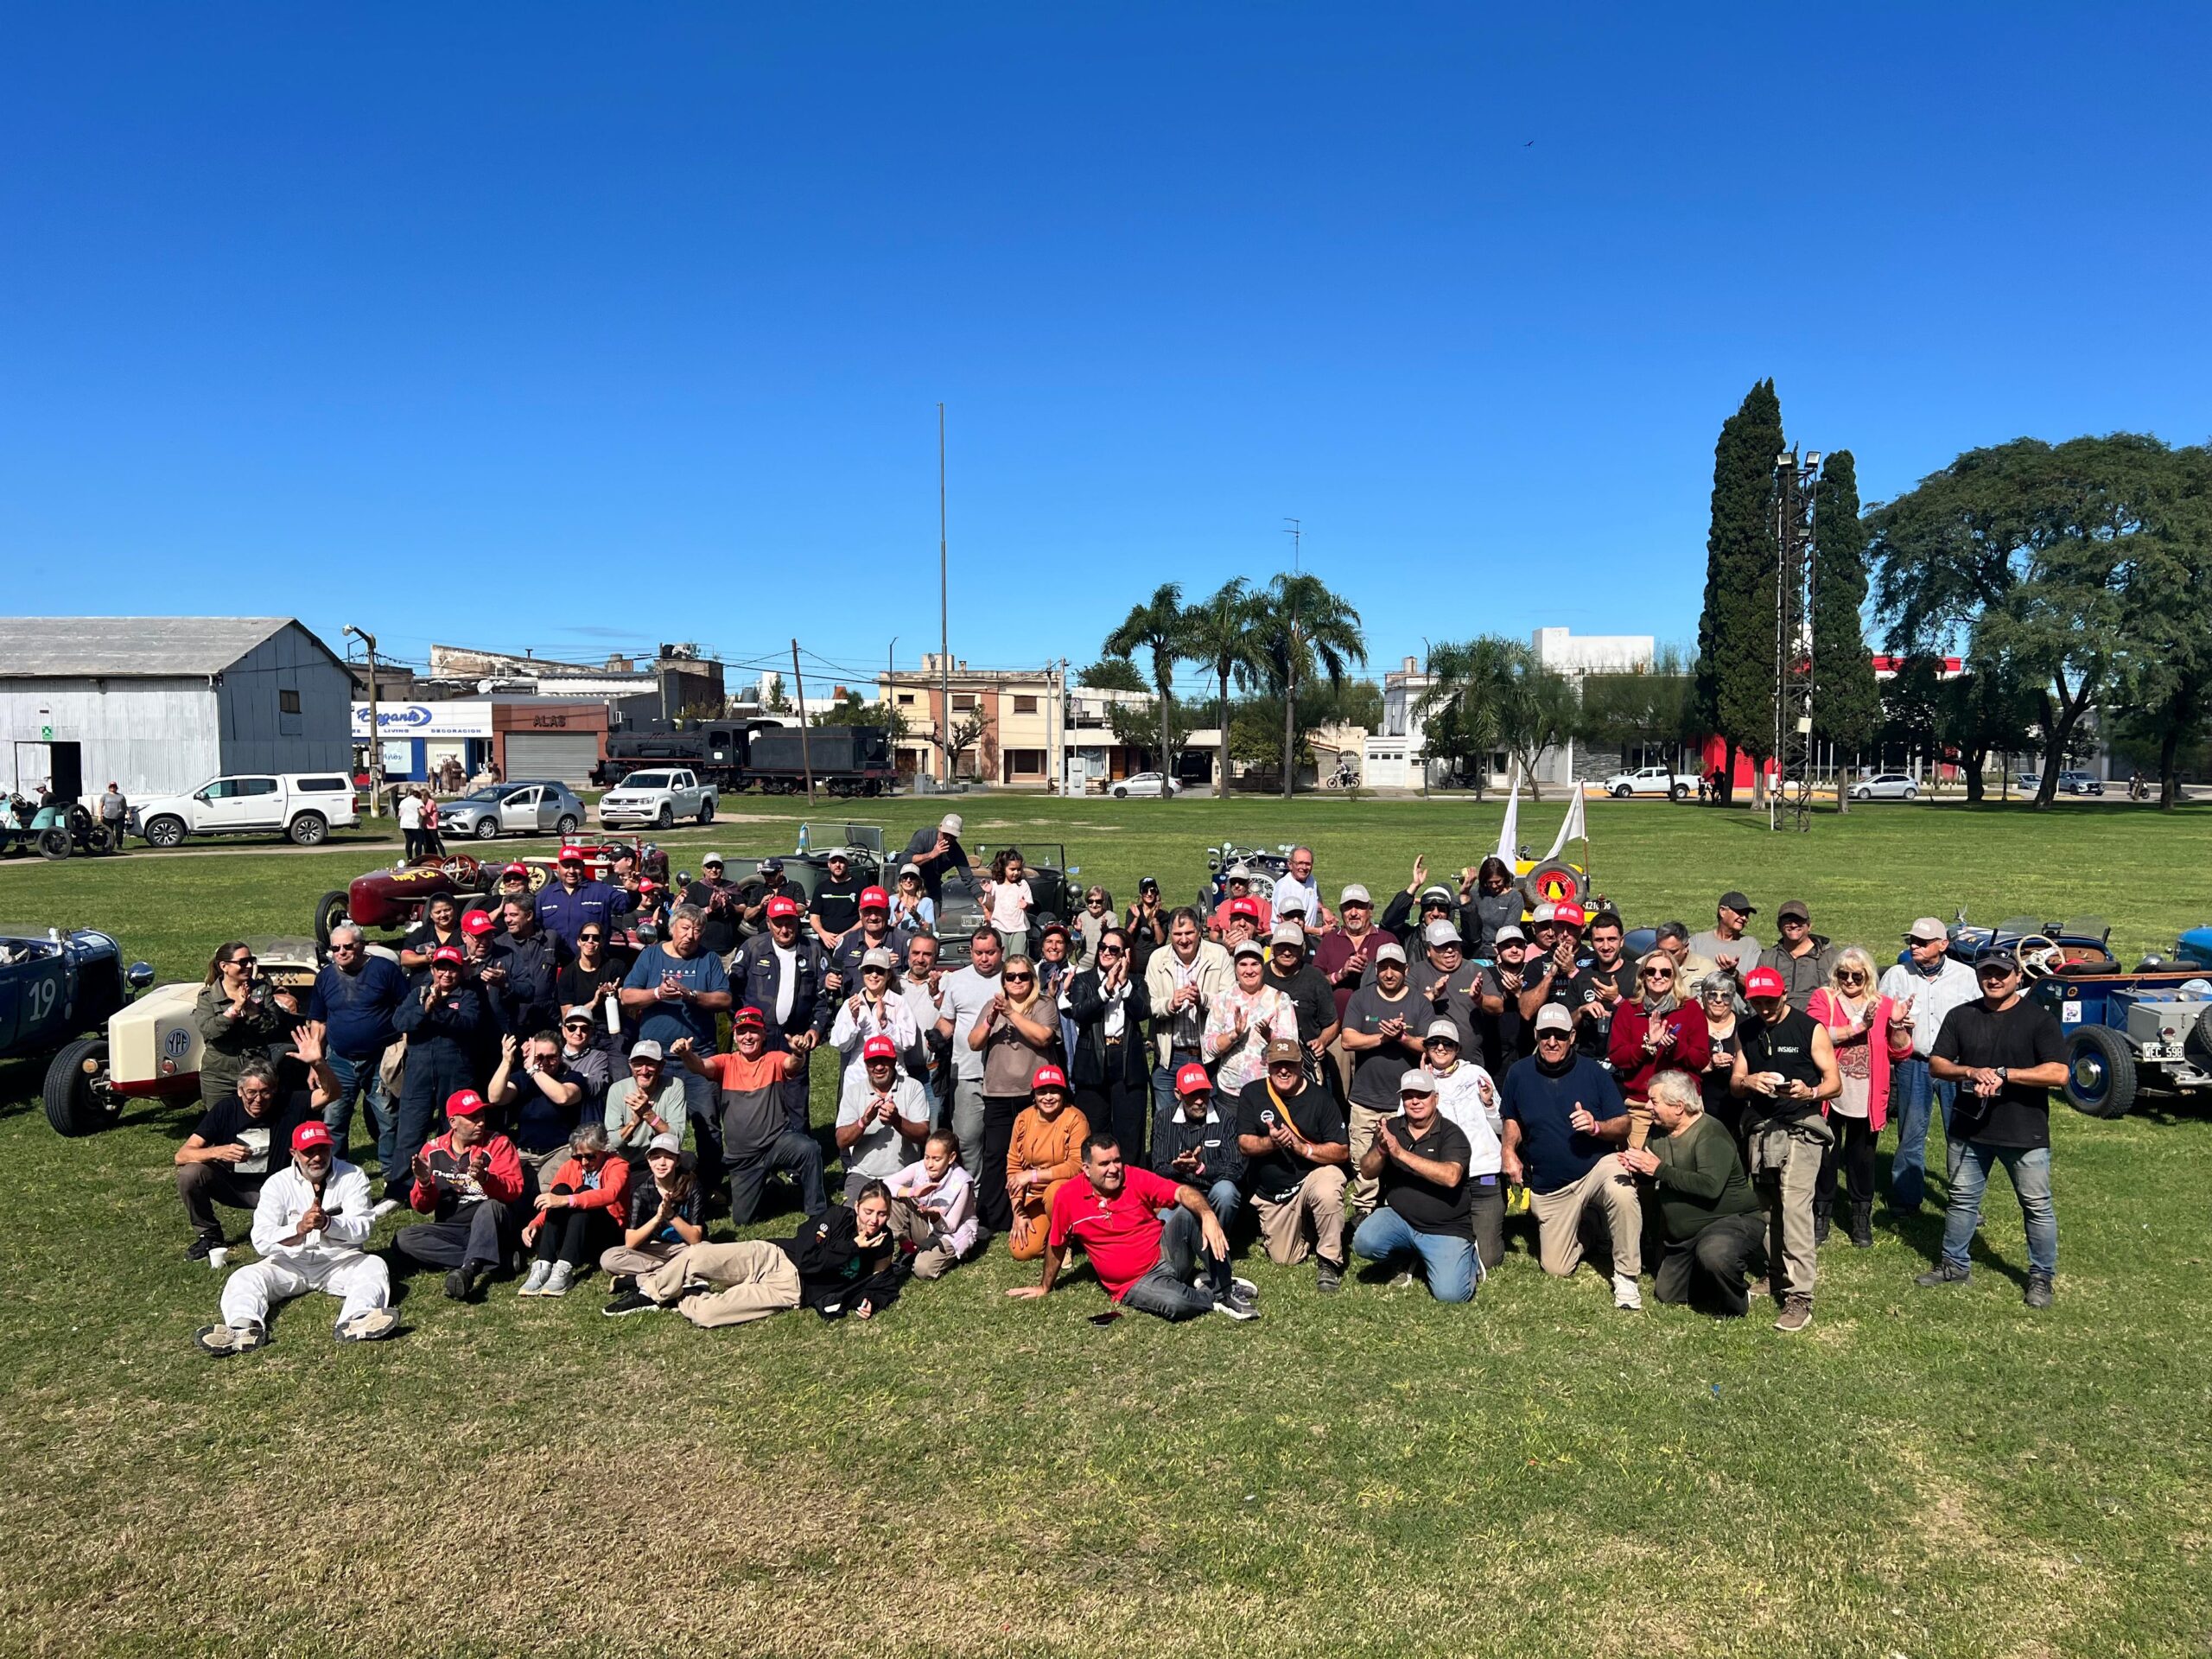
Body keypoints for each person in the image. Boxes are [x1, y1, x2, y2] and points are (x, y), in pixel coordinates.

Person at [1917, 946, 2066, 1307]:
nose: (1994, 979)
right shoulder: (1961, 1016)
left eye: (2002, 972)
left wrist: (2004, 1075)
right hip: (1970, 1129)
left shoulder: (2038, 1020)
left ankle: (2041, 1276)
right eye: (1987, 973)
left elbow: (2059, 1073)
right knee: (1962, 1201)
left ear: (2018, 976)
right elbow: (1937, 1064)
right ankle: (1954, 1265)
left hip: (2024, 1130)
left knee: (2036, 1205)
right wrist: (1969, 1071)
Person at [194, 1120, 397, 1354]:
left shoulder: (353, 1176)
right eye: (309, 1151)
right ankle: (242, 1327)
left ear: (331, 1148)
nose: (317, 1157)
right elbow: (261, 1239)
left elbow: (363, 1229)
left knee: (374, 1265)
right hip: (289, 1263)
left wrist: (329, 1223)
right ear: (294, 1153)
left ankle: (358, 1319)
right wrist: (298, 1229)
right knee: (245, 1276)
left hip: (340, 1261)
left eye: (322, 1149)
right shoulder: (277, 1184)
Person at [1007, 1133, 1256, 1322]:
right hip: (1133, 1282)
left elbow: (1181, 1191)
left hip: (1165, 1253)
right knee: (1176, 1304)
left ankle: (1224, 1286)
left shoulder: (1133, 1176)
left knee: (1189, 1211)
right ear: (1086, 1169)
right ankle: (1210, 1295)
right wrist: (1045, 1286)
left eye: (1117, 1161)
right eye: (1104, 1164)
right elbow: (1057, 1243)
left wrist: (1209, 1215)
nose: (1114, 1169)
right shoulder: (1067, 1198)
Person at [1500, 1003, 1643, 1309]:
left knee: (1622, 1189)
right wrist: (1508, 1150)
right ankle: (1592, 1227)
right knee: (1556, 1267)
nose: (1553, 1042)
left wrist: (1597, 1126)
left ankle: (1627, 1277)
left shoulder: (1594, 1073)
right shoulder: (1518, 1073)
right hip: (1553, 1184)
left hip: (1596, 1168)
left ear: (1572, 1036)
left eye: (1560, 1036)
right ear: (1536, 1035)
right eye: (1547, 1035)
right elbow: (1511, 1118)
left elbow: (1624, 1124)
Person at [603, 1184, 908, 1325]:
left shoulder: (882, 1242)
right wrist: (853, 1247)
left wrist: (872, 1302)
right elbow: (807, 1257)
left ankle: (685, 1293)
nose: (874, 1220)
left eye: (882, 1215)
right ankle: (650, 1292)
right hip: (773, 1255)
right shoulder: (837, 1216)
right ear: (857, 1207)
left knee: (707, 1316)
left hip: (792, 1290)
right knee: (696, 1256)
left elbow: (882, 1281)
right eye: (869, 1211)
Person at [1731, 964, 1841, 1333]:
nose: (1762, 1007)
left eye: (1768, 1000)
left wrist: (1809, 1092)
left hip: (1801, 1126)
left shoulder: (1809, 1028)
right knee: (1765, 1208)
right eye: (1756, 1001)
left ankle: (1800, 1297)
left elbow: (1834, 1084)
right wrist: (1750, 1080)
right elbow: (1735, 1082)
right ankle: (1775, 1275)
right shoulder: (1746, 1030)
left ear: (1783, 996)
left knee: (1794, 1208)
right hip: (1761, 1129)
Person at [1615, 1070, 1766, 1318]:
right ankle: (1710, 1278)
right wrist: (1638, 1168)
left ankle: (1737, 1303)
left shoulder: (1710, 1132)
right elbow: (1654, 1172)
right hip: (1684, 1236)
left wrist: (1658, 1169)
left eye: (1654, 1101)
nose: (1648, 1107)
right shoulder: (1658, 1131)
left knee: (1714, 1255)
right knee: (1667, 1294)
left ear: (1678, 1107)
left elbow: (1709, 1186)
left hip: (1729, 1222)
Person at [175, 1041, 332, 1260]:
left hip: (280, 1188)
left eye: (265, 1092)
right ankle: (209, 1235)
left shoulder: (290, 1103)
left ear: (274, 1090)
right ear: (240, 1091)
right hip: (235, 1186)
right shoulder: (226, 1109)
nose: (258, 1100)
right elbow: (182, 1155)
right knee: (190, 1174)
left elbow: (330, 1094)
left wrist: (318, 1063)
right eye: (251, 1093)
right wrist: (218, 1151)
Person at [1806, 946, 1915, 1249]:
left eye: (1858, 975)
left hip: (1867, 1096)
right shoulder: (1824, 998)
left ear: (1868, 976)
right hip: (1829, 1093)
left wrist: (1896, 1025)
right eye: (1843, 974)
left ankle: (1860, 1218)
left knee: (1863, 1160)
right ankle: (1822, 1214)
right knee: (1826, 1157)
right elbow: (1816, 1033)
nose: (1850, 980)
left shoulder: (1884, 1004)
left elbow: (1900, 1052)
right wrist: (1859, 1025)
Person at [675, 1008, 822, 1224]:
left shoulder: (774, 1059)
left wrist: (798, 1053)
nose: (748, 1037)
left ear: (763, 1035)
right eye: (742, 1032)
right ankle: (773, 1187)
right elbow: (699, 1066)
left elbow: (792, 1064)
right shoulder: (726, 1062)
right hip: (743, 1157)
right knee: (743, 1220)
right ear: (735, 1037)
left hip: (776, 1143)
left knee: (809, 1149)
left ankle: (816, 1212)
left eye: (753, 1031)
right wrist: (686, 1054)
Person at [1878, 917, 1980, 1217]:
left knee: (1960, 1134)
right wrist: (1895, 1023)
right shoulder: (1897, 975)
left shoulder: (1966, 977)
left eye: (1922, 942)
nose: (1914, 946)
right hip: (1913, 1063)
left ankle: (1965, 1203)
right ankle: (1907, 1200)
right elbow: (1879, 1017)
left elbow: (1981, 1021)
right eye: (1912, 940)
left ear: (1943, 945)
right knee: (1910, 1132)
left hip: (1955, 1066)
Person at [1351, 1069, 1478, 1302]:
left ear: (1435, 1098)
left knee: (1451, 1295)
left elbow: (1451, 1176)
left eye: (1421, 1095)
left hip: (1445, 1228)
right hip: (1401, 1218)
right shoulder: (1390, 1128)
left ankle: (1467, 1256)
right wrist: (1381, 1150)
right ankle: (1409, 1254)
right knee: (1363, 1241)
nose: (1415, 1101)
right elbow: (1367, 1170)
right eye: (1408, 1096)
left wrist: (1400, 1153)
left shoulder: (1452, 1133)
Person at [1236, 1039, 1351, 1290]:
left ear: (1301, 1065)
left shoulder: (1321, 1098)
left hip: (1311, 1180)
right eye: (1278, 1065)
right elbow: (1244, 1144)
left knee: (1328, 1186)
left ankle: (1329, 1261)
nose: (1284, 1071)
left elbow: (1342, 1151)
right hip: (1274, 1194)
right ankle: (1310, 1226)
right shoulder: (1252, 1093)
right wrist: (1272, 1142)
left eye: (1290, 1064)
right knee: (1286, 1258)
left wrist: (1303, 1148)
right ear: (1268, 1065)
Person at [392, 1088, 526, 1301]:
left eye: (481, 1115)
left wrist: (486, 1179)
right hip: (452, 1228)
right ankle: (497, 1259)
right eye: (472, 1118)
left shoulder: (499, 1144)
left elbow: (513, 1191)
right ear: (453, 1122)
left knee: (489, 1207)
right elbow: (423, 1207)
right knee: (403, 1240)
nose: (480, 1122)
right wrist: (425, 1182)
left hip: (492, 1222)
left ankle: (469, 1270)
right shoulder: (432, 1150)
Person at [622, 904, 734, 1147]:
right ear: (673, 928)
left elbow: (725, 999)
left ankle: (709, 1181)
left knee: (708, 1121)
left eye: (696, 930)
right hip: (654, 1058)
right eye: (685, 928)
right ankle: (656, 1180)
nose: (690, 935)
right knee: (649, 1122)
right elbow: (627, 996)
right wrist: (657, 993)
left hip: (698, 1057)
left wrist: (692, 995)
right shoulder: (651, 956)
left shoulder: (709, 959)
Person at [966, 953, 1062, 1230]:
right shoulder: (991, 1006)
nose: (1017, 981)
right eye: (1011, 977)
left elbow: (1043, 1037)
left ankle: (1037, 1211)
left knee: (1035, 1154)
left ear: (1032, 979)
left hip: (1035, 1094)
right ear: (1003, 981)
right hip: (998, 1092)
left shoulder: (1044, 1004)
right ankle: (993, 1217)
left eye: (1023, 976)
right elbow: (973, 1043)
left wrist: (1010, 1014)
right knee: (996, 1154)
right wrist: (991, 1019)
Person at [389, 944, 486, 1202]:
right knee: (410, 1130)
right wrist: (425, 1008)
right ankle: (400, 1188)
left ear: (460, 971)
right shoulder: (418, 993)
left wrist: (439, 1009)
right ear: (432, 969)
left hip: (455, 1073)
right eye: (441, 967)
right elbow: (399, 1022)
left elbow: (468, 1024)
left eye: (452, 968)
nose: (446, 974)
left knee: (451, 1129)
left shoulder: (468, 996)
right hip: (419, 1073)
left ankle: (450, 1184)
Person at [1338, 938, 1426, 1224]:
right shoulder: (1361, 999)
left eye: (1396, 968)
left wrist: (1403, 1039)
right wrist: (1382, 1038)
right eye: (1384, 967)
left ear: (1406, 969)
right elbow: (1348, 1039)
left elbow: (1429, 1045)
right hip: (1366, 1097)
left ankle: (1399, 1205)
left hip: (1405, 1101)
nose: (1389, 973)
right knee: (1363, 1155)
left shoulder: (1419, 1003)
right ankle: (1364, 1207)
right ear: (1376, 969)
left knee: (1405, 1156)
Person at [308, 923, 408, 1165]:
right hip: (339, 1062)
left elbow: (406, 1009)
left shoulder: (384, 969)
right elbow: (318, 1022)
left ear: (361, 946)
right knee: (333, 1120)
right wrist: (315, 1063)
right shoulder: (325, 977)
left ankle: (392, 1177)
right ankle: (333, 1174)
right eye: (335, 948)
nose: (341, 952)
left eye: (347, 946)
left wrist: (405, 1047)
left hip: (379, 1060)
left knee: (388, 1118)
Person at [1419, 1019, 1506, 1270]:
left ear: (1457, 1048)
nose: (1441, 1048)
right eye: (1434, 1043)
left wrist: (1489, 1104)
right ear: (1426, 1048)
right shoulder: (1419, 1083)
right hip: (1444, 1180)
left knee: (1488, 1260)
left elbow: (1502, 1127)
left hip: (1484, 1176)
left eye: (1448, 1043)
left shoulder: (1476, 1074)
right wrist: (1427, 1090)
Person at [1607, 950, 1713, 1148]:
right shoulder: (1629, 1010)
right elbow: (1616, 1056)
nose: (1658, 977)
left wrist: (1676, 1047)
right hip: (1642, 1106)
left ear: (1674, 977)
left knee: (1685, 1172)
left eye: (1665, 972)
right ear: (1642, 976)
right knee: (1638, 1170)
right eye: (1651, 971)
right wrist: (1646, 1047)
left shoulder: (1690, 1009)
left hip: (1683, 1105)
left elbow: (1701, 1059)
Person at [1064, 925, 1154, 1154]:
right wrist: (1106, 990)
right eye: (1103, 947)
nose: (1105, 952)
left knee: (1130, 1131)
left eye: (1114, 950)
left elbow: (1143, 1011)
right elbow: (1080, 1013)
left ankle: (1131, 1182)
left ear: (1125, 955)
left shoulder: (1136, 981)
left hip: (1126, 1059)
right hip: (1093, 1059)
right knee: (1095, 1131)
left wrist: (1123, 984)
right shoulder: (1084, 980)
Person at [516, 1121, 631, 1297]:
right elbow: (554, 1202)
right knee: (561, 1189)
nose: (584, 1162)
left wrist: (568, 1200)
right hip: (576, 1234)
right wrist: (534, 1224)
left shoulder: (618, 1165)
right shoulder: (570, 1167)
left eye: (590, 1156)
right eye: (578, 1157)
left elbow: (610, 1194)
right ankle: (543, 1265)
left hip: (608, 1234)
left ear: (603, 1150)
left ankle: (564, 1268)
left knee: (582, 1194)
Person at [936, 925, 1007, 1179]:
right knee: (966, 1140)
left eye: (990, 952)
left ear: (1002, 951)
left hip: (1006, 1076)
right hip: (967, 1072)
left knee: (1003, 1143)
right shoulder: (958, 979)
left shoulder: (1014, 977)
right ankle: (972, 1196)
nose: (984, 959)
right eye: (978, 953)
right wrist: (936, 1036)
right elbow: (947, 1021)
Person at [194, 942, 298, 1112]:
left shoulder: (261, 991)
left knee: (259, 1122)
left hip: (256, 1070)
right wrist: (234, 1009)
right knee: (220, 1123)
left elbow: (273, 1028)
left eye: (251, 960)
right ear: (224, 966)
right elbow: (210, 1030)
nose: (249, 966)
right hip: (219, 1074)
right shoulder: (208, 996)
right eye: (242, 962)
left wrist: (252, 1010)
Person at [1004, 1064, 1089, 1259]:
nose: (1048, 1097)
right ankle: (1054, 1232)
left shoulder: (1076, 1119)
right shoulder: (1023, 1119)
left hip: (1066, 1189)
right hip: (1034, 1195)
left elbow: (1076, 1166)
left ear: (1063, 1094)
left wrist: (1033, 1175)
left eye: (1054, 1091)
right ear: (1034, 1094)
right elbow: (1014, 1167)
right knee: (1022, 1251)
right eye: (1042, 1092)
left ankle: (1066, 1239)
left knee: (1055, 1191)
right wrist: (1018, 1212)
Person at [1150, 1061, 1245, 1231]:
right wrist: (1179, 1168)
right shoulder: (1163, 1119)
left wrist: (1201, 1168)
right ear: (1178, 1094)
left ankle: (1220, 1237)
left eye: (1203, 1093)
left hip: (1212, 1191)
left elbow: (1235, 1169)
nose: (1200, 1101)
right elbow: (1158, 1168)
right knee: (1162, 1223)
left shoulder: (1226, 1119)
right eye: (1193, 1094)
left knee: (1227, 1192)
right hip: (1179, 1194)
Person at [599, 1130, 706, 1282]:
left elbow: (695, 1239)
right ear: (649, 1161)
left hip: (686, 1248)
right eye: (655, 1158)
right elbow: (630, 1242)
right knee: (609, 1258)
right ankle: (673, 1271)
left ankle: (647, 1277)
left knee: (705, 1252)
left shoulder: (692, 1185)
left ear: (678, 1161)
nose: (661, 1163)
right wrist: (658, 1218)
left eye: (668, 1157)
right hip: (654, 1249)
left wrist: (671, 1215)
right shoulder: (641, 1192)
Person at [834, 1034, 931, 1198]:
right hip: (863, 1174)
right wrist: (863, 1122)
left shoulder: (913, 1088)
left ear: (894, 1061)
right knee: (851, 1220)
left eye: (884, 1061)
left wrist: (897, 1121)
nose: (879, 1067)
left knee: (902, 1222)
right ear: (866, 1065)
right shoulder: (853, 1092)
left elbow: (923, 1136)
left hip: (905, 1174)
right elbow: (841, 1141)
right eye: (873, 1062)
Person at [487, 1031, 587, 1191]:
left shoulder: (572, 1077)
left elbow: (563, 1097)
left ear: (560, 1056)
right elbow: (495, 1097)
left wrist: (534, 1070)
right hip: (525, 1152)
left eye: (551, 1057)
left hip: (559, 1151)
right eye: (539, 1056)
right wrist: (507, 1061)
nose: (545, 1062)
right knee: (511, 1189)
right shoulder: (522, 1078)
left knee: (544, 1190)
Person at [1205, 939, 1299, 1097]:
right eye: (1243, 964)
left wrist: (1271, 1037)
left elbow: (1291, 1047)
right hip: (1229, 1090)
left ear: (1263, 967)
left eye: (1255, 964)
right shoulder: (1222, 1000)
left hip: (1268, 1089)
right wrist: (1233, 1035)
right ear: (1235, 968)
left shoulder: (1280, 999)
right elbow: (1210, 1047)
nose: (1249, 970)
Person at [884, 1128, 982, 1279]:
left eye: (936, 1159)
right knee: (893, 1198)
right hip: (925, 1225)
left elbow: (951, 1227)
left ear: (951, 1158)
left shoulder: (962, 1182)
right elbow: (885, 1185)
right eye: (927, 1157)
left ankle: (953, 1254)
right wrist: (913, 1192)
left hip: (950, 1233)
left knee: (922, 1269)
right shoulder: (920, 1167)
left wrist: (934, 1216)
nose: (929, 1164)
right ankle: (908, 1248)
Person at [830, 944, 925, 1089]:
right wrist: (853, 1020)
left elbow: (908, 1042)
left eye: (879, 971)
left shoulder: (899, 1003)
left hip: (893, 1081)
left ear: (888, 975)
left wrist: (886, 1025)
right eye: (869, 970)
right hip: (858, 1080)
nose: (873, 975)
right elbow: (840, 1044)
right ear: (862, 973)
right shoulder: (851, 1004)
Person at [1261, 923, 1340, 1088]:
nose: (1287, 952)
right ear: (1272, 948)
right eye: (1282, 947)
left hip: (1305, 1063)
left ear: (1303, 949)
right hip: (1266, 1062)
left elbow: (1332, 1023)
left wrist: (1322, 1041)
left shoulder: (1315, 978)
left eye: (1293, 947)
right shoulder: (1261, 976)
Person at [484, 894, 569, 1039]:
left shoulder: (551, 938)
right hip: (516, 1022)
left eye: (513, 915)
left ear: (529, 915)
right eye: (505, 915)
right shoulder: (498, 945)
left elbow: (570, 966)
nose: (507, 920)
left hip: (549, 1018)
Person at [537, 846, 633, 952]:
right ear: (558, 868)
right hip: (557, 963)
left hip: (594, 962)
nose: (571, 871)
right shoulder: (545, 895)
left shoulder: (601, 890)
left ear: (583, 866)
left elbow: (627, 905)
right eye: (566, 866)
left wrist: (633, 892)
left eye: (576, 866)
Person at [604, 1039, 687, 1159]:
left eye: (650, 1064)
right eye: (638, 1064)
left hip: (660, 1158)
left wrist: (649, 1115)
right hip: (626, 1161)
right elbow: (613, 1142)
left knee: (688, 1160)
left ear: (661, 1066)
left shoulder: (674, 1085)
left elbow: (677, 1139)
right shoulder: (617, 1089)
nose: (644, 1071)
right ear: (630, 1066)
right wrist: (634, 1123)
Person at [1696, 970, 1749, 1153]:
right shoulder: (1692, 1024)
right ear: (1702, 996)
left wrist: (1739, 1064)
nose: (1719, 1000)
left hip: (1737, 1107)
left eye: (1725, 995)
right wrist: (1709, 1065)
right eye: (1712, 994)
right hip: (1700, 1105)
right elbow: (1680, 1064)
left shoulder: (1745, 1025)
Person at [898, 931, 950, 1109]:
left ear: (935, 958)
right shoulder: (895, 984)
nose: (920, 959)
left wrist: (936, 994)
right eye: (916, 953)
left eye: (927, 954)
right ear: (908, 954)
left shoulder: (946, 982)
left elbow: (953, 1015)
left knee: (931, 1130)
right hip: (899, 1073)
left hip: (931, 1072)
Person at [1758, 899, 1839, 1012]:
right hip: (1777, 1021)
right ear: (1779, 926)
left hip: (1819, 1020)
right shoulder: (1767, 958)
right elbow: (1757, 996)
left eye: (1799, 920)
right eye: (1788, 921)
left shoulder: (1831, 957)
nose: (1793, 925)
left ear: (1809, 925)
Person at [1476, 924, 1533, 1077]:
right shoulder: (1487, 974)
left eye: (1519, 946)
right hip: (1495, 1051)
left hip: (1528, 1048)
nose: (1514, 950)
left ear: (1525, 948)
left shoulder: (1534, 970)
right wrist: (1505, 996)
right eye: (1507, 946)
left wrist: (1520, 993)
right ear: (1497, 949)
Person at [1580, 911, 1635, 1056]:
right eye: (1599, 940)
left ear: (1621, 941)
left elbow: (1646, 1021)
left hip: (1626, 1060)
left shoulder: (1638, 975)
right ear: (1591, 941)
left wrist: (1618, 1001)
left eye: (1612, 939)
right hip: (1588, 1059)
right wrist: (1581, 1010)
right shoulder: (1582, 976)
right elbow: (1565, 1023)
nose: (1605, 946)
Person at [1689, 891, 1764, 982]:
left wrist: (1734, 974)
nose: (1744, 918)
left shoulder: (1751, 945)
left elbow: (1755, 985)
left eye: (1746, 914)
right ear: (1722, 911)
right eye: (1740, 912)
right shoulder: (1698, 941)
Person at [903, 811, 975, 906]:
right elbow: (904, 860)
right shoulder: (923, 836)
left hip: (932, 891)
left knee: (932, 918)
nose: (947, 839)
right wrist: (931, 855)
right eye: (945, 834)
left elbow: (969, 879)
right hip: (910, 888)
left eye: (952, 837)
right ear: (940, 828)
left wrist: (985, 907)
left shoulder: (956, 851)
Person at [683, 853, 743, 963]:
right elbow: (687, 915)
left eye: (717, 866)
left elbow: (743, 909)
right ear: (703, 869)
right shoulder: (693, 888)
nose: (714, 870)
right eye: (710, 866)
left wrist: (730, 904)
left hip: (728, 950)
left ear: (723, 868)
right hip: (701, 949)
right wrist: (710, 909)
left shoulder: (732, 887)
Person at [807, 849, 866, 950]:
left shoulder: (859, 887)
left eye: (841, 861)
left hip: (853, 941)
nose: (837, 865)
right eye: (834, 862)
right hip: (826, 943)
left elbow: (864, 918)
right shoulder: (821, 888)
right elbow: (814, 917)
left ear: (847, 864)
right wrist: (823, 934)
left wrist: (845, 935)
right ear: (829, 864)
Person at [1459, 856, 1520, 951]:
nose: (1494, 886)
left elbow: (1509, 928)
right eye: (1490, 882)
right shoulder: (1476, 894)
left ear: (1504, 878)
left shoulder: (1514, 897)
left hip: (1500, 949)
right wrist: (1465, 893)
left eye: (1497, 882)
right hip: (1475, 949)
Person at [1270, 846, 1334, 931]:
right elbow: (1289, 922)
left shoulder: (1311, 879)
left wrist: (1324, 909)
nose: (1304, 868)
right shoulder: (1284, 887)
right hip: (1287, 936)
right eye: (1300, 863)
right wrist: (1320, 931)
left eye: (1308, 864)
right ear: (1290, 865)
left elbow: (1313, 899)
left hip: (1306, 936)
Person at [399, 893, 466, 973]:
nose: (443, 915)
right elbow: (404, 959)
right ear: (431, 915)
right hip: (424, 981)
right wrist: (426, 958)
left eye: (447, 910)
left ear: (454, 910)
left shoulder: (464, 931)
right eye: (438, 912)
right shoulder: (422, 932)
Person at [1653, 922, 1719, 1000]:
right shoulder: (1642, 966)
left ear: (1686, 947)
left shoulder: (1707, 969)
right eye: (1661, 950)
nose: (1666, 956)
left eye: (1672, 952)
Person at [1071, 884, 1114, 969]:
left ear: (1103, 902)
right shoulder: (1081, 917)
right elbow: (1074, 946)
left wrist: (1105, 931)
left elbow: (1114, 945)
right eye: (1090, 901)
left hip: (1103, 965)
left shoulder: (1111, 917)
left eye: (1098, 901)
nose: (1094, 905)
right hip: (1083, 964)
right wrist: (1077, 932)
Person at [890, 861, 938, 937]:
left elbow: (931, 932)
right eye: (905, 877)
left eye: (912, 877)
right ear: (900, 882)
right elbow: (885, 933)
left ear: (918, 882)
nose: (908, 880)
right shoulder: (891, 900)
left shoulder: (926, 902)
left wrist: (916, 916)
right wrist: (897, 921)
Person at [99, 781, 128, 855]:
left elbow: (125, 806)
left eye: (114, 786)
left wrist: (128, 814)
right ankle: (106, 844)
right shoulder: (105, 796)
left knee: (119, 831)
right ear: (109, 788)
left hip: (120, 815)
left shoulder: (121, 796)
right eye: (111, 787)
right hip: (108, 816)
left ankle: (119, 844)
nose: (113, 788)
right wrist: (100, 815)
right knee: (108, 831)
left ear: (116, 788)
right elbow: (100, 806)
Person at [397, 787, 424, 861]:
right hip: (414, 824)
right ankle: (418, 858)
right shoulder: (418, 801)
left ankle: (409, 858)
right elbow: (423, 813)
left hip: (404, 824)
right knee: (419, 841)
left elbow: (400, 814)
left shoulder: (403, 801)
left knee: (409, 841)